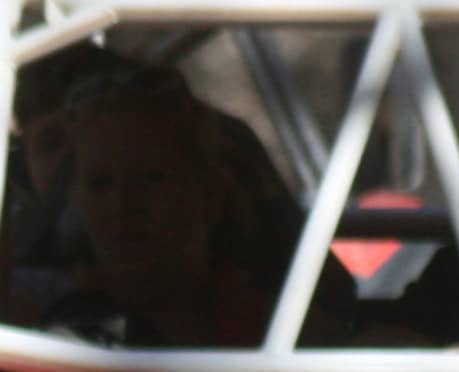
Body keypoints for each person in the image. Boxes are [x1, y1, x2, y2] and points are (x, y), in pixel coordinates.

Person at [38, 62, 351, 350]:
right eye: (100, 184)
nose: (123, 205)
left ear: (209, 193)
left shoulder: (291, 333)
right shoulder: (63, 350)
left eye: (151, 178)